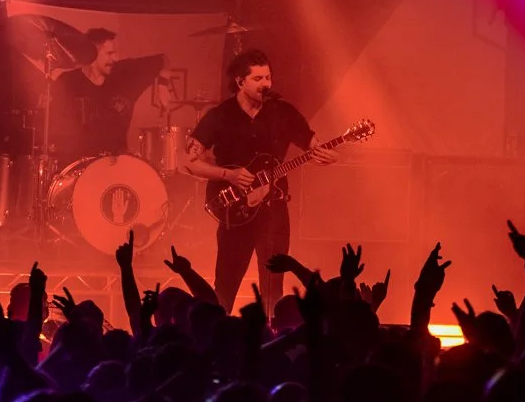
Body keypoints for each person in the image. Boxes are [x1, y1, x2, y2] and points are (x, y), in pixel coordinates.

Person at [182, 49, 336, 312]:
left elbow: (314, 144)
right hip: (235, 212)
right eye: (258, 79)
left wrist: (330, 153)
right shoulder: (220, 116)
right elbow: (188, 162)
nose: (267, 84)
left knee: (273, 286)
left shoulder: (284, 113)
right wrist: (228, 174)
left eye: (268, 77)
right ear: (240, 82)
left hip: (273, 212)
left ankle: (271, 339)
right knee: (226, 285)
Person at [49, 28, 167, 164]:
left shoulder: (126, 74)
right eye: (109, 53)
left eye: (115, 53)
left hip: (116, 167)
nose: (115, 58)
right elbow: (53, 130)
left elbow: (164, 60)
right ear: (91, 54)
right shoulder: (68, 82)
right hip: (80, 167)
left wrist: (163, 84)